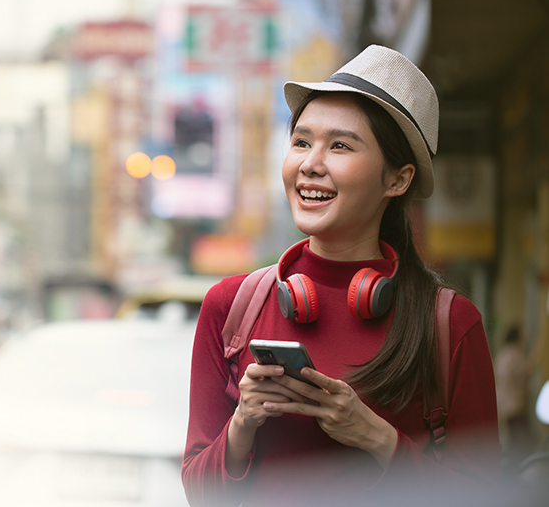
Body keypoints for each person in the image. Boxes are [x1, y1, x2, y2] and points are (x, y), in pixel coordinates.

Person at [182, 45, 502, 506]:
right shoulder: (229, 307)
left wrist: (376, 438)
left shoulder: (449, 323)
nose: (311, 163)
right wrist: (242, 423)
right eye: (301, 141)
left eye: (340, 146)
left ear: (397, 180)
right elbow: (199, 492)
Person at [494, 325, 533, 475]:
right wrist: (538, 352)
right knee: (521, 441)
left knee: (514, 438)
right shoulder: (515, 354)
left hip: (505, 404)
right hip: (515, 405)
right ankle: (520, 472)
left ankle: (514, 471)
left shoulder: (503, 354)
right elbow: (525, 371)